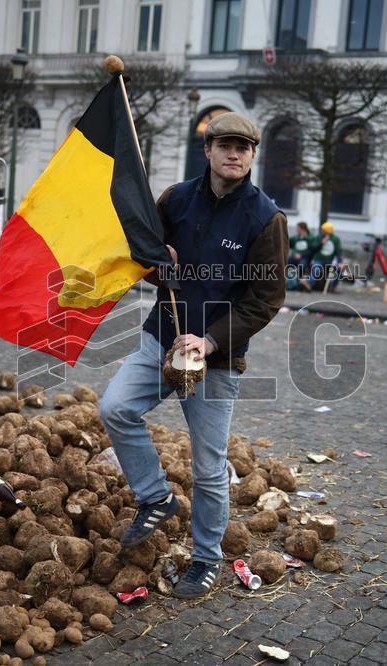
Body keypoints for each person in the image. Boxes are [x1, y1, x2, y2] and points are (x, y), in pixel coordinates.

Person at [99, 112, 288, 599]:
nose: (234, 154)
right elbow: (143, 258)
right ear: (207, 150)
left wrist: (211, 341)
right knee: (116, 408)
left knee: (208, 468)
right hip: (161, 337)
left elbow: (264, 300)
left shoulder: (266, 218)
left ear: (252, 156)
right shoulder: (175, 200)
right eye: (224, 144)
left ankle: (206, 560)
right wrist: (157, 267)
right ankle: (155, 496)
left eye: (243, 148)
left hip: (216, 361)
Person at [304, 222, 343, 292]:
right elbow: (313, 249)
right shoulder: (318, 237)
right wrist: (321, 243)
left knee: (339, 269)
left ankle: (334, 286)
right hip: (319, 260)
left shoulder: (335, 239)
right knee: (316, 267)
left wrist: (340, 262)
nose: (322, 231)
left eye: (323, 230)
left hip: (330, 261)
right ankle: (308, 284)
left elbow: (338, 251)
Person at [286, 221, 313, 290]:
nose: (296, 230)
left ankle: (297, 283)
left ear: (302, 229)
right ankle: (289, 283)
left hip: (305, 258)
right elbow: (288, 243)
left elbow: (311, 250)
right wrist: (294, 254)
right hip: (295, 257)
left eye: (297, 228)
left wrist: (301, 255)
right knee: (288, 262)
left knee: (301, 265)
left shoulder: (310, 238)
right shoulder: (296, 238)